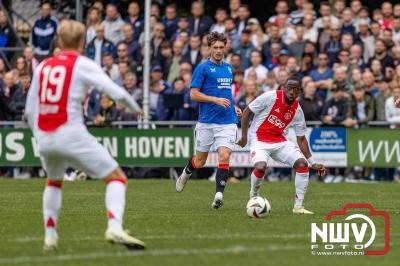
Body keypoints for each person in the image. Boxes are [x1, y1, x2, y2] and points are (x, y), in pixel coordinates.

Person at [24, 20, 144, 250]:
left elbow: (30, 109)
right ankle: (114, 227)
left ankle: (50, 236)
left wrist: (39, 135)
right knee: (116, 178)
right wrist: (134, 107)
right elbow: (114, 91)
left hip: (46, 136)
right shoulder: (82, 64)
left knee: (54, 181)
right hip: (71, 132)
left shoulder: (44, 66)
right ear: (82, 43)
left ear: (59, 41)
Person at [237, 77, 326, 214]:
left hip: (280, 141)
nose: (291, 91)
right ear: (284, 88)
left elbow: (301, 138)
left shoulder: (297, 110)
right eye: (289, 88)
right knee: (261, 167)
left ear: (299, 92)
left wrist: (312, 162)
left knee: (302, 164)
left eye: (295, 89)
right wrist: (243, 136)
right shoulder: (270, 97)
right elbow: (248, 111)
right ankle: (254, 195)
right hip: (259, 139)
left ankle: (298, 207)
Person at [175, 32, 242, 209]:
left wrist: (232, 105)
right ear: (209, 48)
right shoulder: (203, 68)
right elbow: (193, 94)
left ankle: (218, 195)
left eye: (221, 47)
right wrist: (215, 100)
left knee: (224, 155)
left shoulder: (229, 68)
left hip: (227, 121)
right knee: (200, 161)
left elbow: (225, 93)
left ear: (225, 48)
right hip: (206, 121)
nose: (218, 50)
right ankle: (185, 173)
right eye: (215, 47)